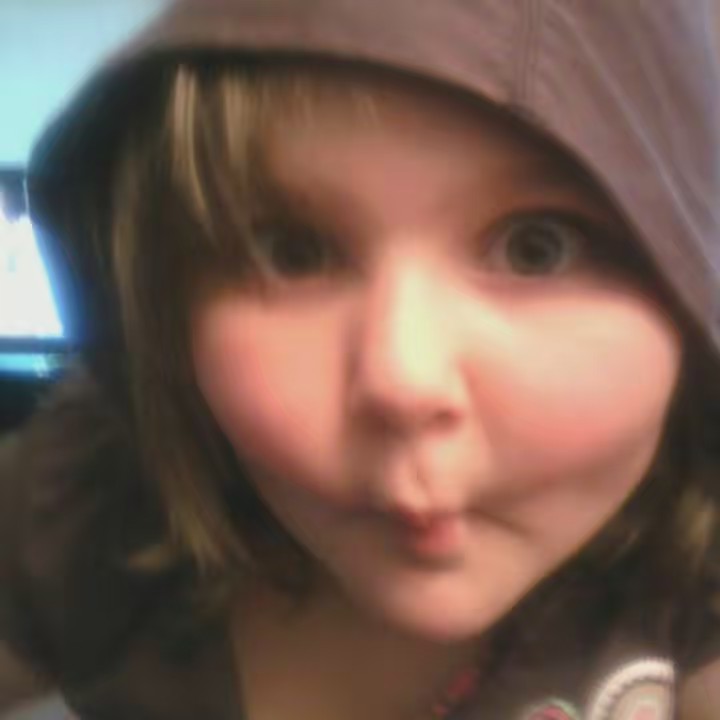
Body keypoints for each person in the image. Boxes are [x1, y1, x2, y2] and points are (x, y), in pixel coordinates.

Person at [1, 1, 720, 718]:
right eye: (292, 252)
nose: (404, 380)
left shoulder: (694, 571)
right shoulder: (81, 489)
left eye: (538, 248)